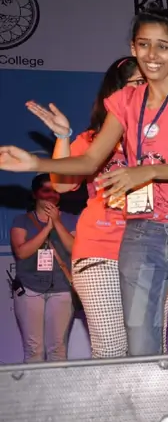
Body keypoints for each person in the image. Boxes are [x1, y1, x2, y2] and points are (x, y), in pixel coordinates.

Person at [0, 4, 168, 422]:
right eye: (144, 45)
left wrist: (146, 170)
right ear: (134, 48)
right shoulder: (124, 104)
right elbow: (89, 163)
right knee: (141, 351)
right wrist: (35, 164)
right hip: (142, 236)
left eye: (163, 46)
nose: (153, 55)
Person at [26, 56, 143, 358]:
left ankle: (151, 408)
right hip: (101, 251)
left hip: (152, 252)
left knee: (150, 351)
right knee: (111, 350)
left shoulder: (164, 139)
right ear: (115, 92)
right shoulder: (93, 140)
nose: (145, 90)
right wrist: (63, 137)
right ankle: (112, 408)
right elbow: (63, 185)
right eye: (137, 83)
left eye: (149, 84)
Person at [9, 173, 78, 362]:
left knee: (57, 348)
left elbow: (74, 248)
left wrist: (56, 222)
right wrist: (47, 228)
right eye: (46, 190)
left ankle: (57, 391)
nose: (51, 195)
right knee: (33, 349)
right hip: (30, 289)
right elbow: (22, 252)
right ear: (35, 194)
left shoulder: (71, 220)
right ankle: (33, 391)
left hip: (62, 289)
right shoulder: (21, 221)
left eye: (55, 191)